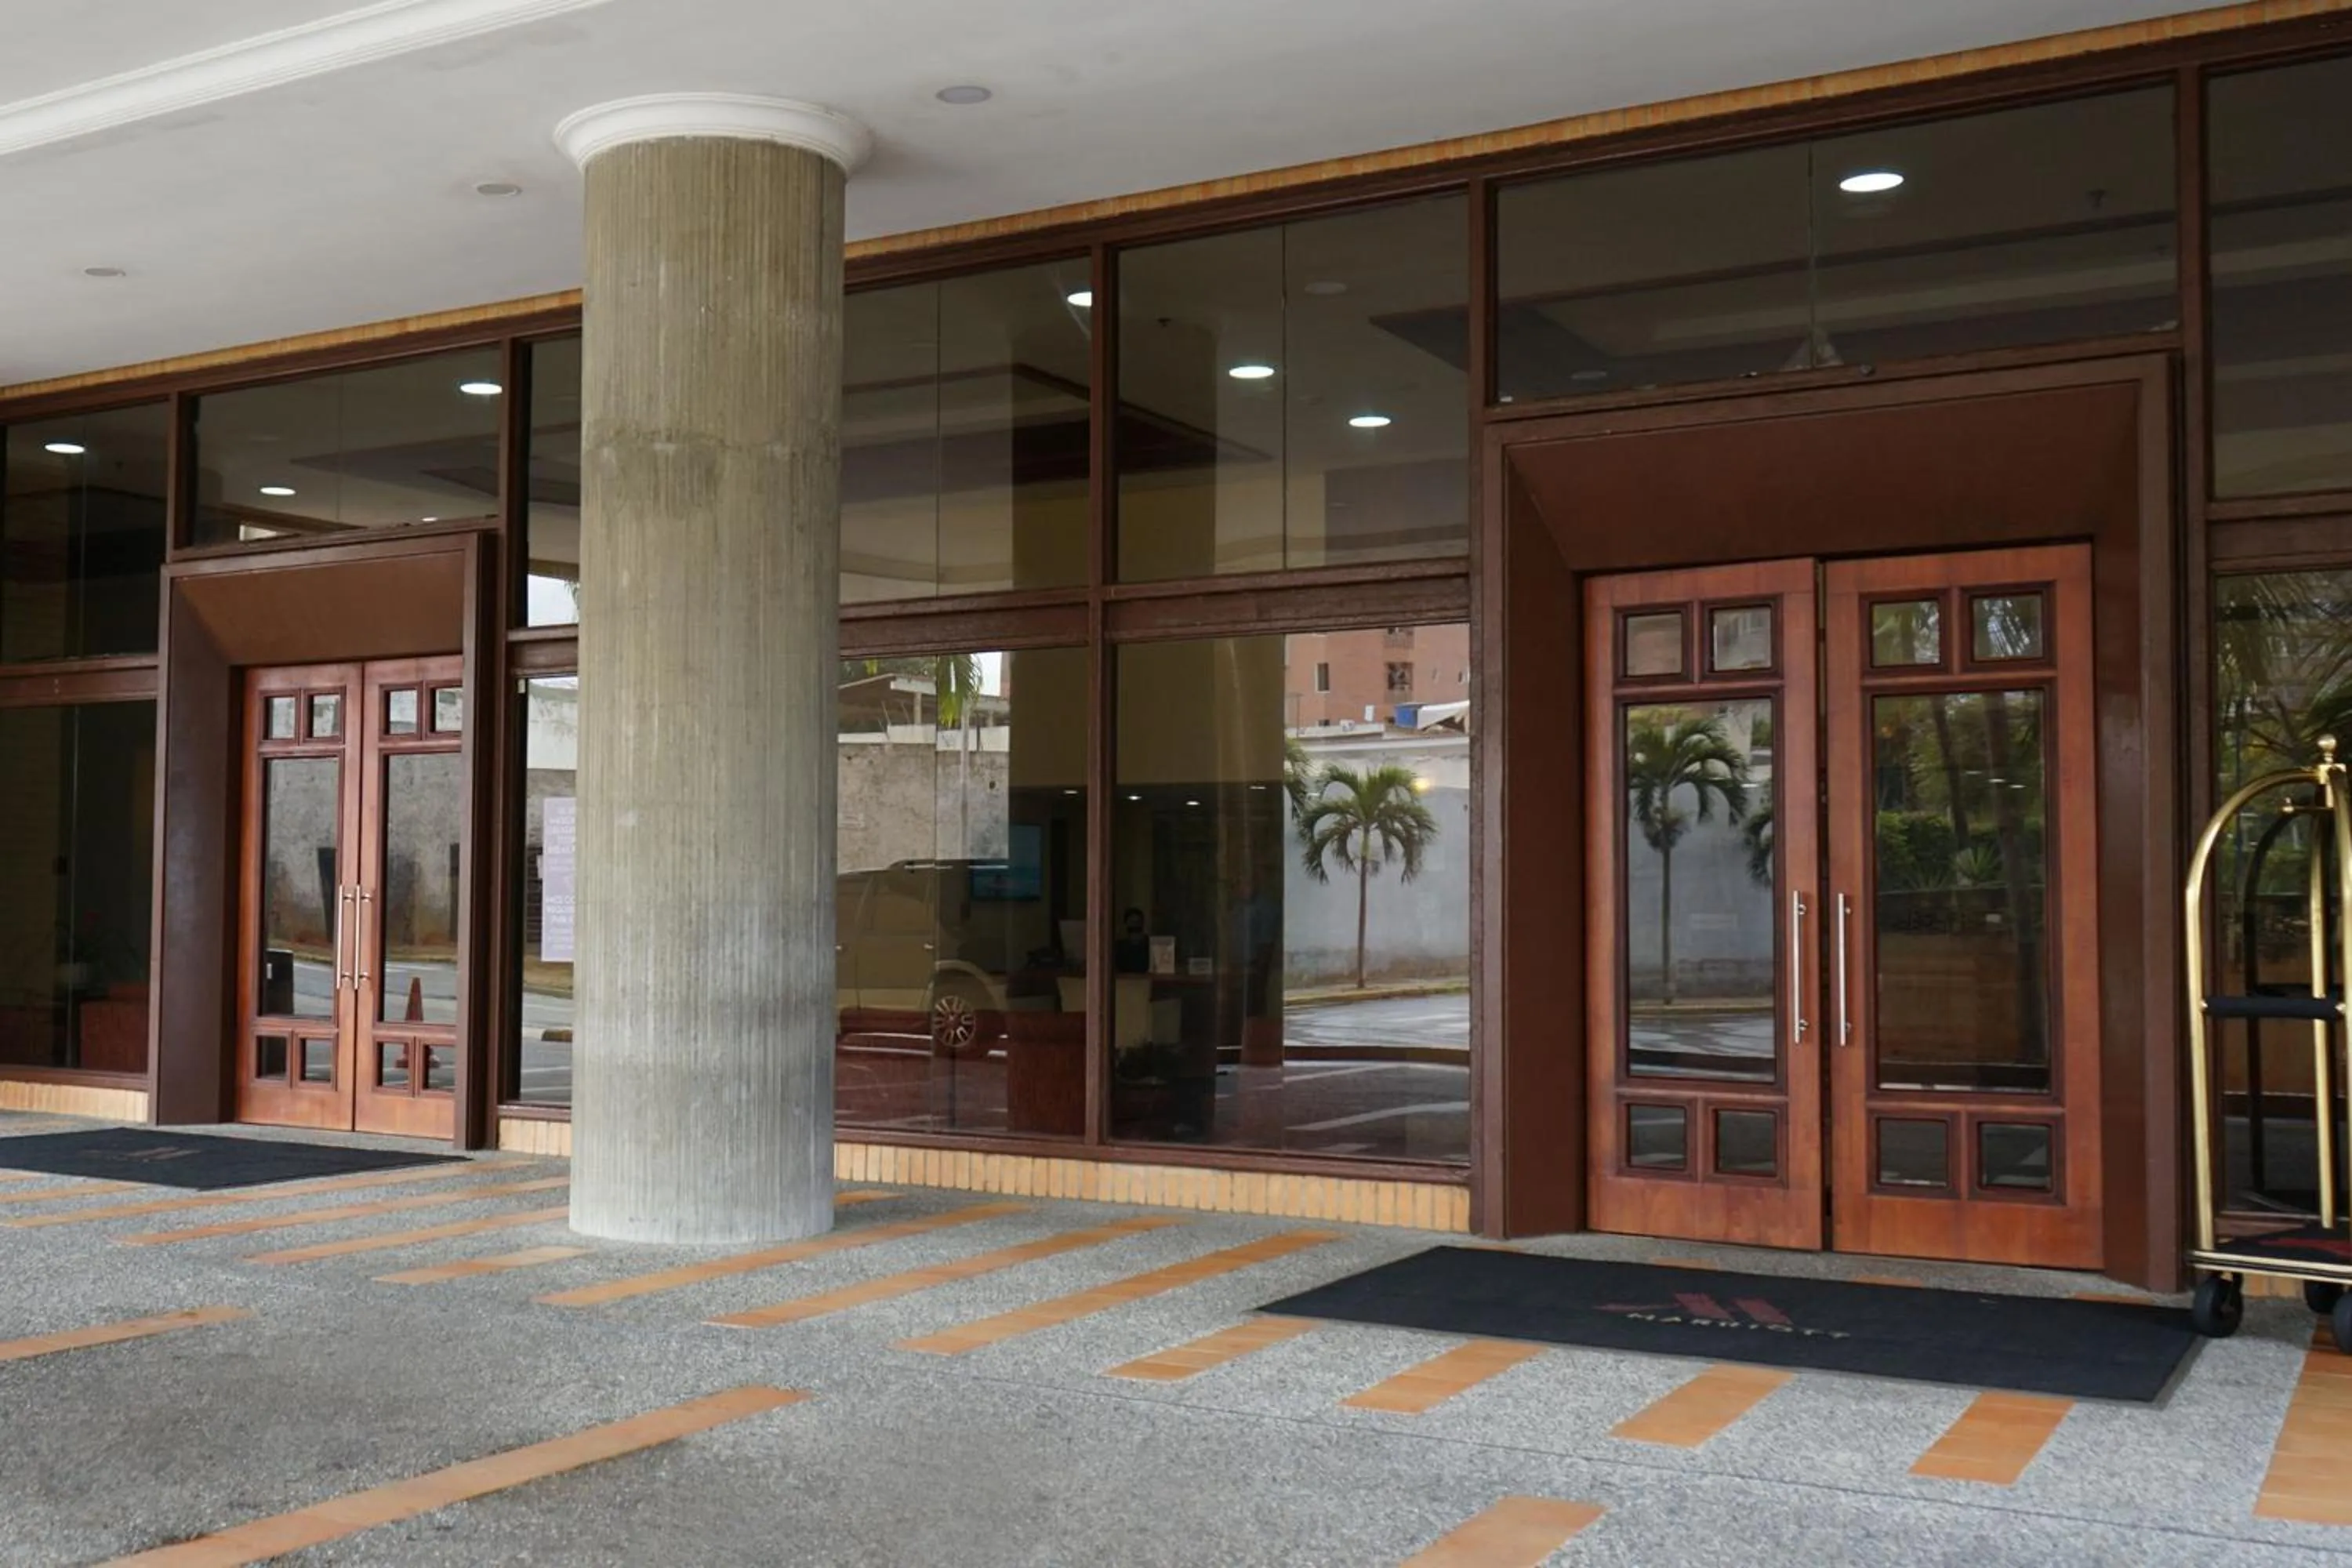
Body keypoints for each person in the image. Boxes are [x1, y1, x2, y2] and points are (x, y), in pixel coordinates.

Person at [1112, 906, 1151, 975]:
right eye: (1132, 922)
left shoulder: (1149, 944)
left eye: (1138, 922)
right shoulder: (1119, 946)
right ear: (1126, 924)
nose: (1135, 925)